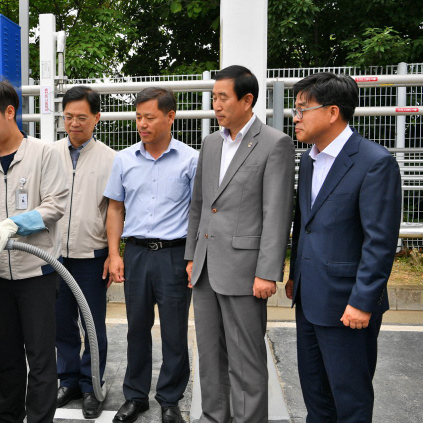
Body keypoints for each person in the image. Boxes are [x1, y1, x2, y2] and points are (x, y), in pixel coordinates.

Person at [286, 72, 401, 423]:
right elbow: (304, 223)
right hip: (309, 299)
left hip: (348, 306)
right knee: (316, 397)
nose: (296, 117)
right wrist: (295, 276)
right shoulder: (309, 160)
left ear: (333, 111)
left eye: (303, 109)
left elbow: (379, 242)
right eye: (296, 109)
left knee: (349, 398)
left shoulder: (374, 162)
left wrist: (362, 302)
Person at [185, 65, 295, 423]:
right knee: (210, 354)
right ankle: (213, 416)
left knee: (246, 360)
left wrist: (268, 272)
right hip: (204, 268)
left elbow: (276, 213)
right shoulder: (211, 142)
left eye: (223, 97)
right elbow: (200, 204)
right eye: (213, 97)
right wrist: (191, 256)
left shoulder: (275, 143)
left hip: (246, 273)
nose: (216, 105)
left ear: (247, 100)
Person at [0, 80, 69, 423]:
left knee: (40, 357)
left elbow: (55, 204)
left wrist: (12, 225)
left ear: (10, 112)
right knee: (7, 355)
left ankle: (39, 419)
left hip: (37, 272)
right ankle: (7, 416)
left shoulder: (45, 154)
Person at [105, 87, 198, 423]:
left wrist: (192, 258)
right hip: (137, 254)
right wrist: (115, 254)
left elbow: (198, 212)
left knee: (175, 331)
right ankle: (135, 396)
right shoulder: (124, 159)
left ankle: (170, 399)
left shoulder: (190, 159)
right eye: (138, 117)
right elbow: (115, 209)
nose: (142, 124)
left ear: (170, 116)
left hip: (175, 255)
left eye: (149, 117)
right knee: (136, 328)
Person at [54, 86, 116, 419]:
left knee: (93, 325)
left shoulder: (110, 159)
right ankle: (67, 380)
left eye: (81, 117)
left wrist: (112, 253)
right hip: (54, 256)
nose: (74, 123)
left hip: (92, 256)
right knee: (60, 322)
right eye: (68, 117)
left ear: (96, 118)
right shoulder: (49, 154)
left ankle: (92, 386)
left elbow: (114, 211)